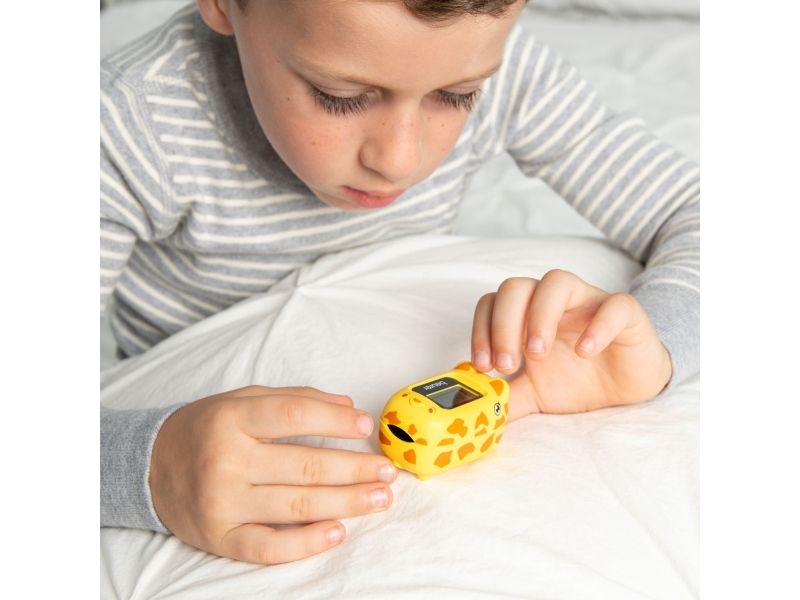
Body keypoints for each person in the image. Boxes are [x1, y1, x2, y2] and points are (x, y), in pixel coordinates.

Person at [100, 0, 699, 565]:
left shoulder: (490, 60)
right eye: (340, 97)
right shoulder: (127, 124)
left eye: (456, 96)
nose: (400, 161)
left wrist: (657, 349)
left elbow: (698, 212)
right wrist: (151, 468)